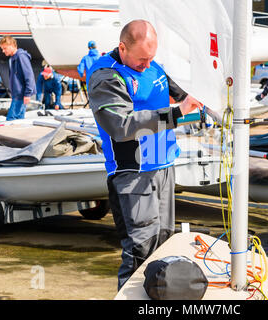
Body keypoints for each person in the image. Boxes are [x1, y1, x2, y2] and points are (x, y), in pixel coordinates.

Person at [87, 19, 202, 290]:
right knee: (140, 252)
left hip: (163, 166)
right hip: (133, 174)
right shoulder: (105, 75)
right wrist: (176, 113)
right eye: (141, 59)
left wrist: (202, 99)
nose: (147, 65)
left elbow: (182, 94)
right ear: (122, 48)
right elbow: (122, 126)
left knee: (165, 246)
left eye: (151, 58)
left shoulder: (151, 64)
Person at [0, 35, 36, 120]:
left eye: (5, 48)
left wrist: (27, 94)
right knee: (19, 119)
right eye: (2, 49)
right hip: (17, 94)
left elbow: (29, 75)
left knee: (11, 119)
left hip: (21, 94)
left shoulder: (21, 57)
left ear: (12, 45)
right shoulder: (12, 59)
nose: (3, 51)